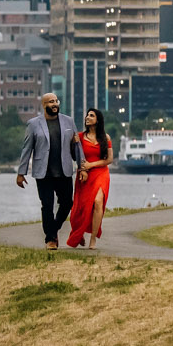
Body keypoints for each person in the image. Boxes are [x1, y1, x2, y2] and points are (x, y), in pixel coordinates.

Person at [13, 92, 83, 248]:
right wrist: (21, 173)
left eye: (56, 101)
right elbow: (27, 148)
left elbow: (77, 146)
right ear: (44, 105)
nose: (54, 104)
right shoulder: (33, 124)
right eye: (50, 102)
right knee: (47, 204)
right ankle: (50, 239)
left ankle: (53, 229)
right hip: (43, 172)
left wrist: (82, 166)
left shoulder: (69, 121)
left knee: (66, 203)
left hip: (64, 171)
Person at [64, 107, 113, 250]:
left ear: (98, 120)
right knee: (81, 209)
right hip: (85, 174)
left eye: (91, 115)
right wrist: (74, 144)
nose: (87, 117)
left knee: (98, 202)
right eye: (87, 115)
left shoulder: (105, 138)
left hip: (101, 173)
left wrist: (92, 164)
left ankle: (93, 239)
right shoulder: (79, 136)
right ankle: (79, 234)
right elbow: (76, 156)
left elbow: (109, 159)